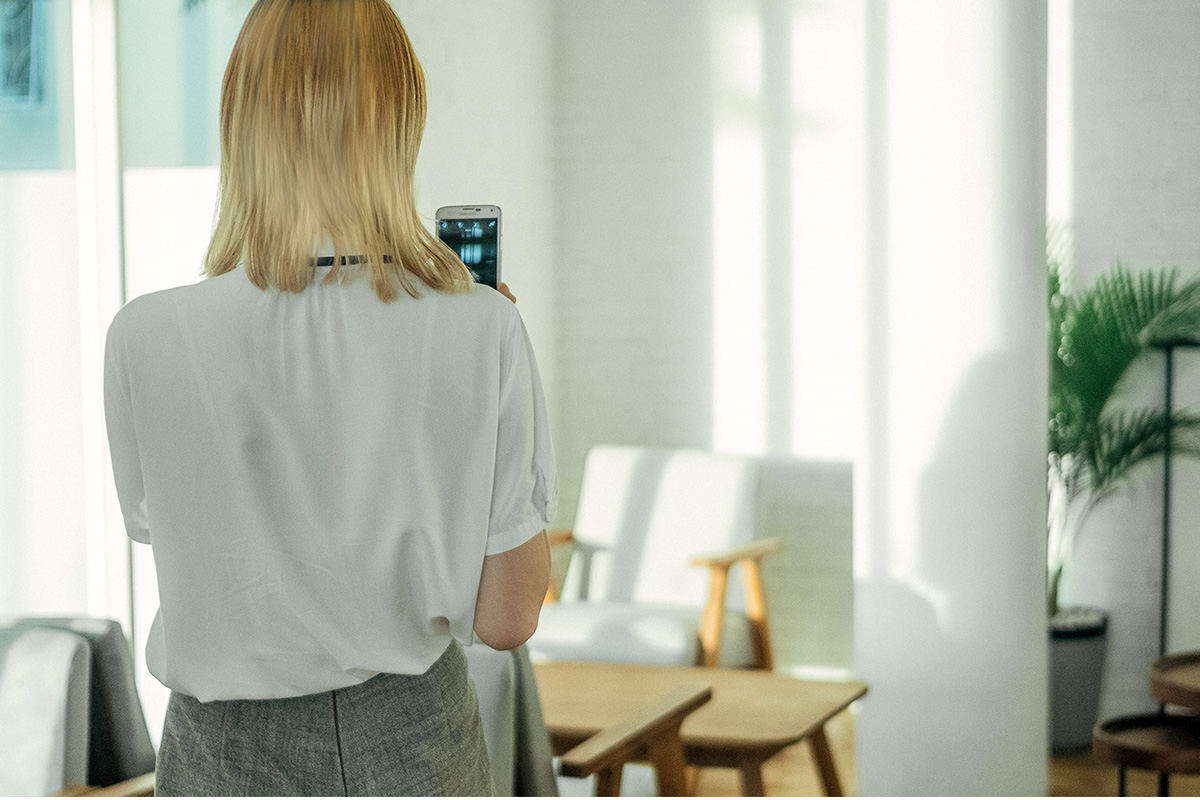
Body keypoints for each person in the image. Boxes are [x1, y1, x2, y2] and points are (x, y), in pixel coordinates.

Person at [102, 0, 555, 795]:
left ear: (241, 122)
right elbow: (507, 620)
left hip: (219, 754)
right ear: (398, 122)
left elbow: (163, 528)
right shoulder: (483, 329)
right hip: (414, 741)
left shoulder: (143, 335)